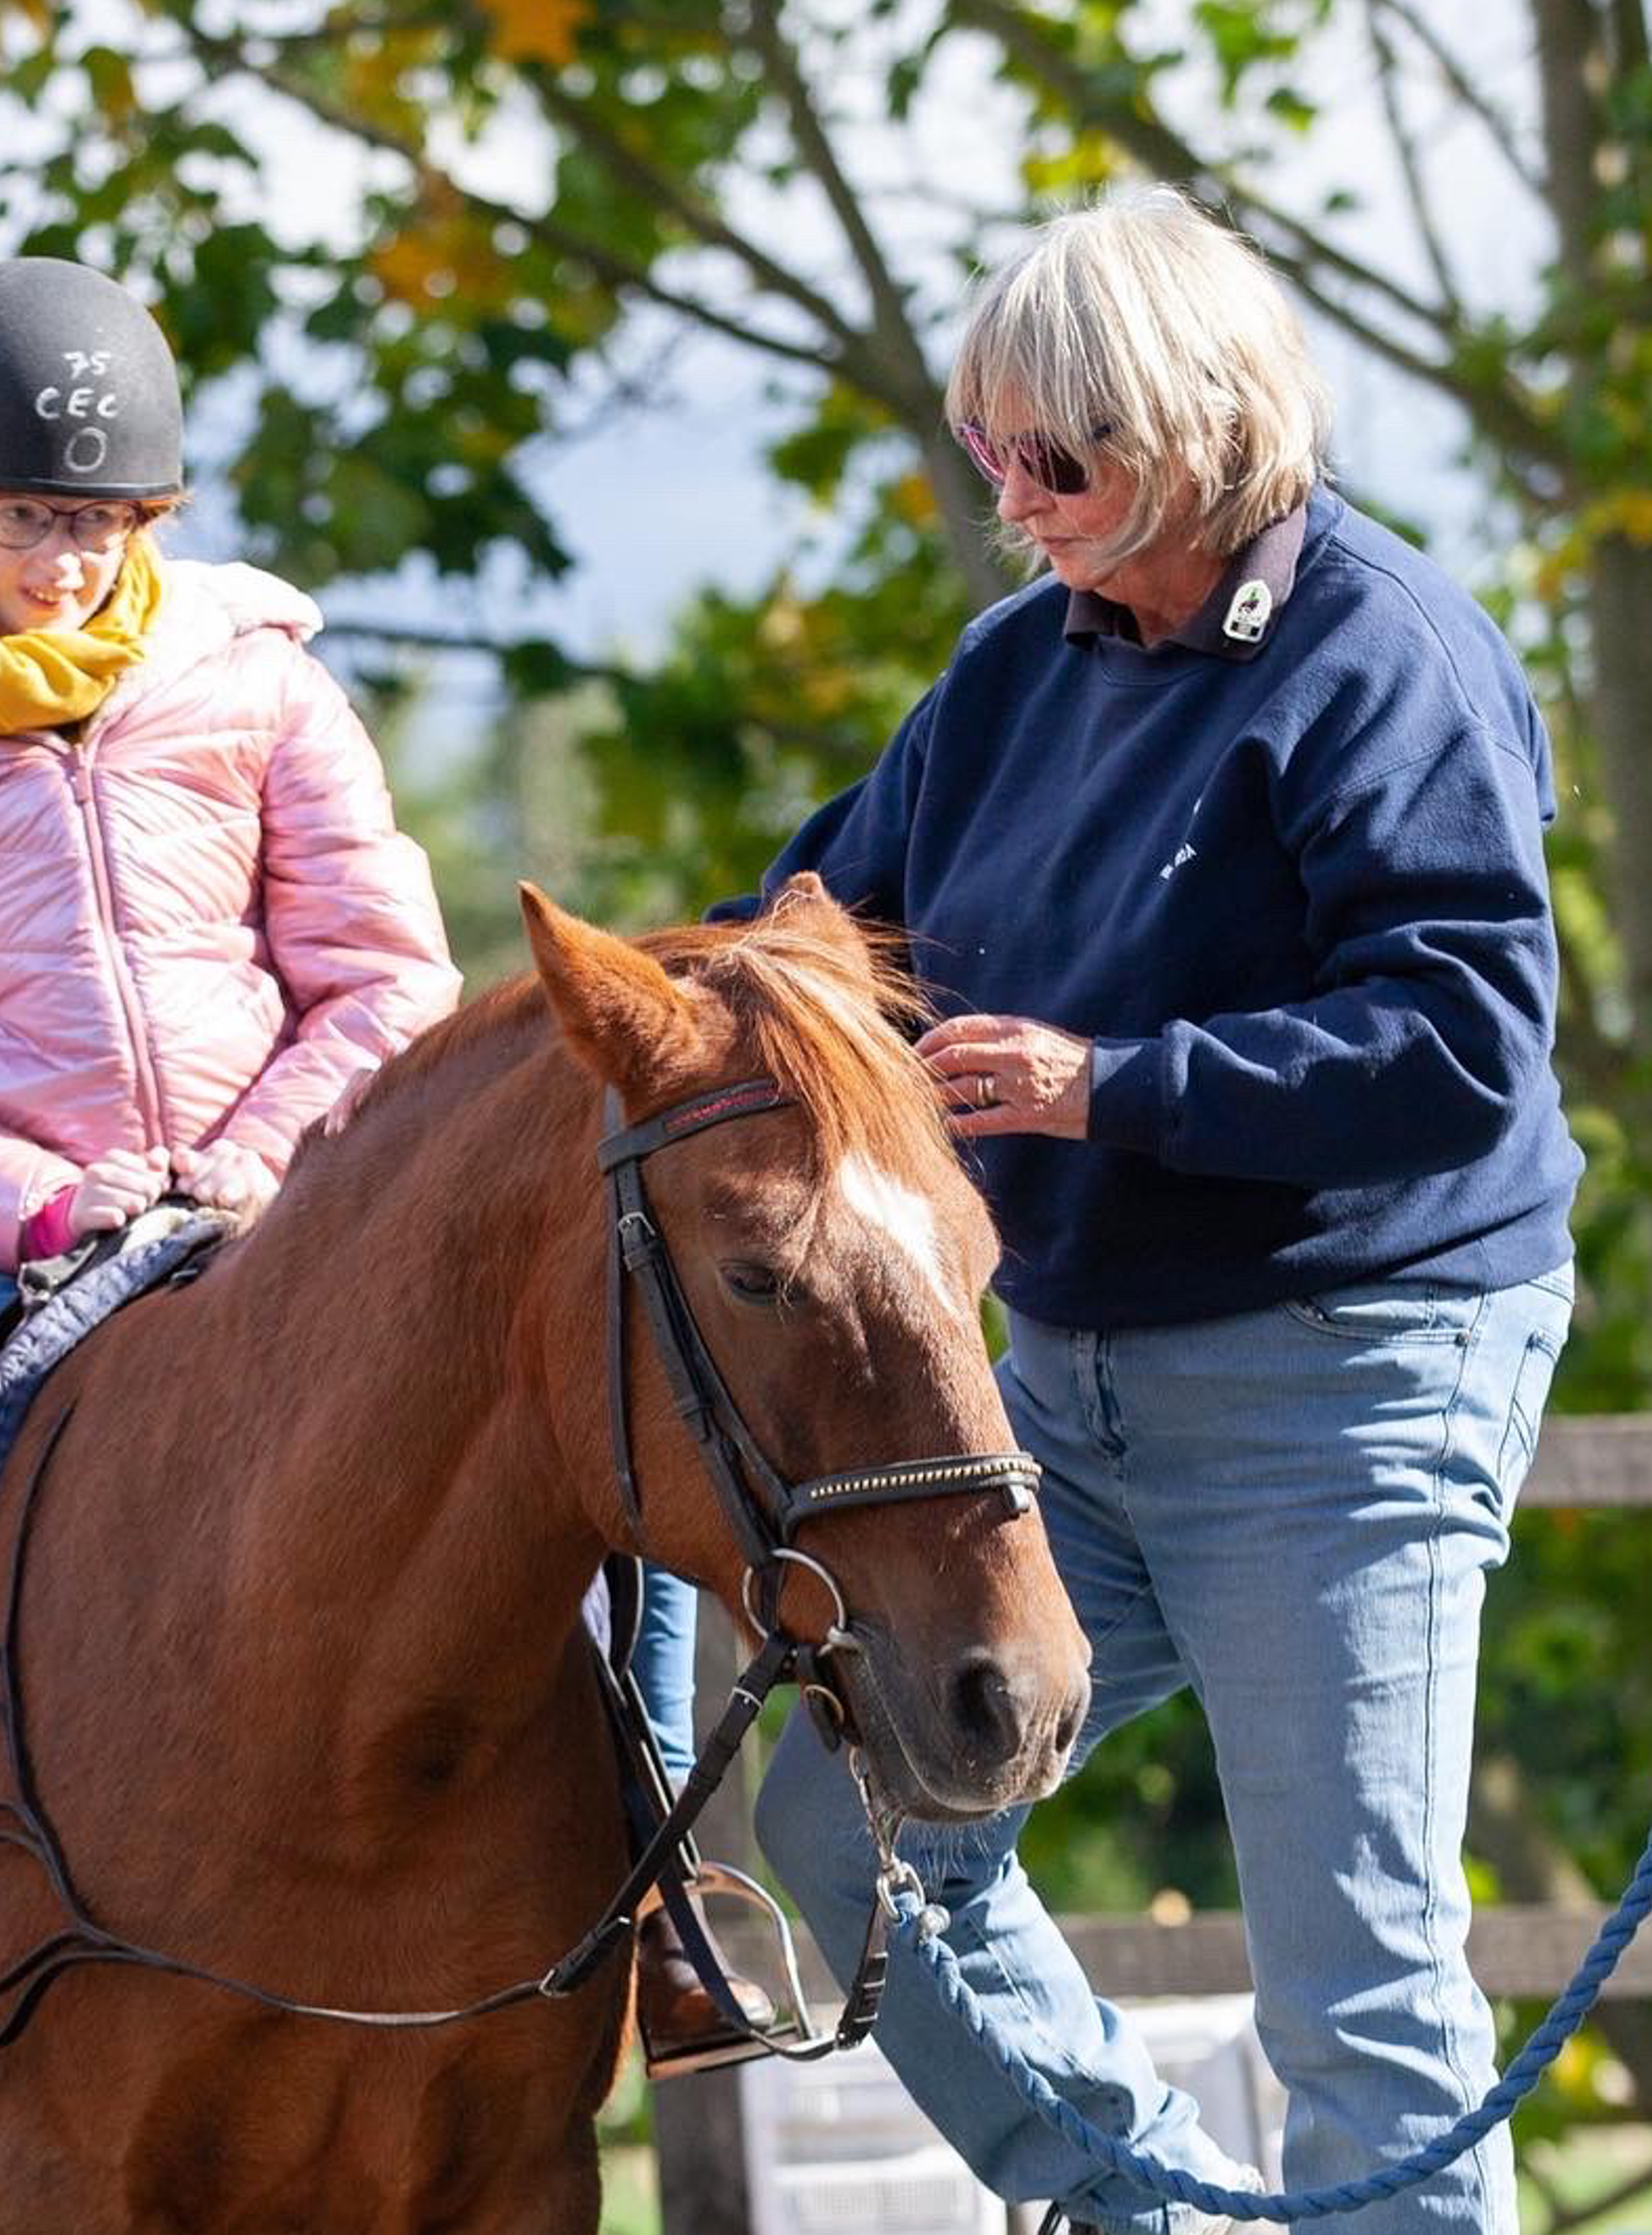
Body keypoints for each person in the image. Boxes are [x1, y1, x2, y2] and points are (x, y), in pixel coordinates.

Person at [724, 187, 1579, 2234]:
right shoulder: (1015, 667)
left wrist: (1115, 1087)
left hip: (1347, 1378)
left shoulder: (1393, 660)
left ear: (1193, 424)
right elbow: (819, 916)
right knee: (841, 1839)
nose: (1012, 497)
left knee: (1353, 1981)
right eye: (988, 449)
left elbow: (1465, 1043)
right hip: (1053, 1395)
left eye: (1060, 456)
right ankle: (1160, 2218)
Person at [0, 254, 468, 2142]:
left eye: (98, 520)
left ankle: (674, 1875)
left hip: (280, 1199)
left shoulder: (259, 683)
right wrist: (39, 1206)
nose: (65, 558)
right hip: (13, 1232)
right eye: (25, 518)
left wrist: (261, 1156)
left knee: (583, 1406)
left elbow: (387, 978)